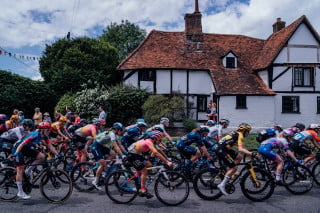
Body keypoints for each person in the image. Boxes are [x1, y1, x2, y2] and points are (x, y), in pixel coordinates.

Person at [11, 122, 61, 199]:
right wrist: (16, 153)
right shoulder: (34, 135)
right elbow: (22, 144)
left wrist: (57, 154)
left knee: (42, 156)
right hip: (18, 148)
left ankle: (28, 171)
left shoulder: (45, 136)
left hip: (26, 148)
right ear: (43, 130)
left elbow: (50, 146)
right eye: (48, 130)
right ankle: (20, 192)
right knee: (20, 169)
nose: (49, 131)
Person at [126, 130, 173, 198]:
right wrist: (167, 162)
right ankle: (142, 190)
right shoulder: (149, 142)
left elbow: (159, 151)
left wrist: (167, 159)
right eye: (159, 140)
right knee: (144, 171)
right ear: (154, 138)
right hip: (132, 155)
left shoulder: (152, 142)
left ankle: (139, 179)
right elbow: (156, 153)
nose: (160, 142)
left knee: (148, 164)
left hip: (136, 154)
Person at [215, 123, 255, 196]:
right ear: (244, 131)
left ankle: (229, 173)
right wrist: (251, 154)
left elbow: (242, 147)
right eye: (248, 131)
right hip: (222, 150)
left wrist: (249, 152)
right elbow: (240, 149)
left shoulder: (236, 133)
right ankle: (222, 185)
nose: (248, 133)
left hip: (224, 148)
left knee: (239, 157)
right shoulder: (239, 135)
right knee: (234, 167)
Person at [90, 122, 125, 190]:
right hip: (96, 146)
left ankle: (107, 166)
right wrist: (122, 155)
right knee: (102, 164)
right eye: (120, 130)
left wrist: (125, 152)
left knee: (113, 154)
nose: (121, 131)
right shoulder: (112, 134)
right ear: (116, 129)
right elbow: (116, 146)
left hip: (101, 145)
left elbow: (120, 145)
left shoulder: (115, 134)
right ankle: (95, 181)